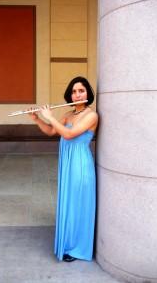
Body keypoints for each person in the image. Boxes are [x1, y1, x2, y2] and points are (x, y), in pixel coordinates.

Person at [29, 76, 98, 262]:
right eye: (74, 91)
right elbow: (52, 131)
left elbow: (68, 134)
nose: (77, 94)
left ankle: (77, 248)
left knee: (78, 206)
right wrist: (37, 119)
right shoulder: (68, 114)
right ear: (70, 95)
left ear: (88, 93)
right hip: (68, 164)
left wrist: (50, 116)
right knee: (69, 204)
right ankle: (68, 243)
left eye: (81, 91)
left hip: (80, 165)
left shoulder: (92, 115)